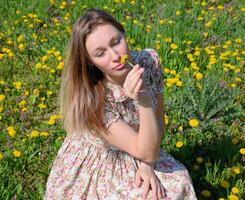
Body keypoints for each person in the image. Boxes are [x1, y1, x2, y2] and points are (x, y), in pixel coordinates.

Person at [44, 8, 197, 200]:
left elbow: (159, 120)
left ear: (124, 33)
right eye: (100, 54)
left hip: (144, 144)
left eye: (116, 42)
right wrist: (143, 99)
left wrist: (147, 164)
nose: (115, 56)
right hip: (102, 160)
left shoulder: (148, 62)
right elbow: (144, 151)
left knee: (175, 187)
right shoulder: (93, 98)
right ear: (90, 62)